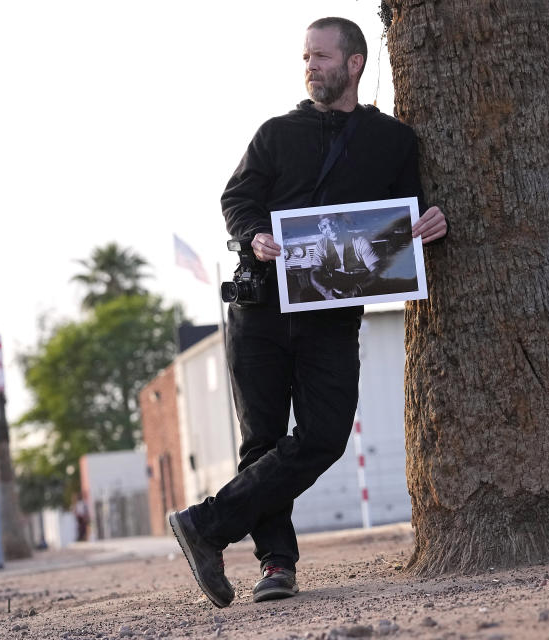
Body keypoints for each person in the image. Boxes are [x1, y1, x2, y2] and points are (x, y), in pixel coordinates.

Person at [167, 16, 447, 608]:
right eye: (305, 58)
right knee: (263, 440)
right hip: (261, 307)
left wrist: (432, 224)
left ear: (353, 64)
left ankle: (207, 526)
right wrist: (255, 236)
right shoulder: (274, 133)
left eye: (320, 56)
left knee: (324, 434)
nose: (310, 67)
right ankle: (277, 564)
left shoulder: (393, 141)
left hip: (332, 312)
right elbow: (236, 199)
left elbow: (408, 215)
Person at [309, 214, 381, 299]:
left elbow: (378, 271)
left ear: (341, 223)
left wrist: (358, 290)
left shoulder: (359, 241)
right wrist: (327, 292)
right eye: (324, 226)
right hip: (336, 288)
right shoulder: (321, 244)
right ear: (320, 229)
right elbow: (315, 272)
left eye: (333, 223)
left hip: (361, 285)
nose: (330, 229)